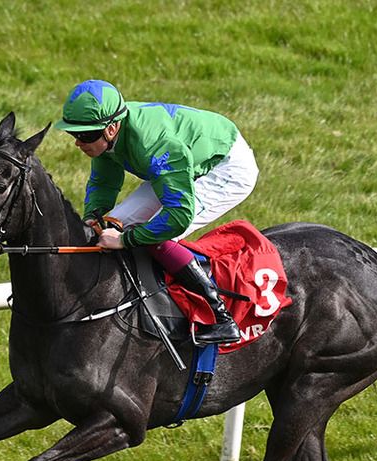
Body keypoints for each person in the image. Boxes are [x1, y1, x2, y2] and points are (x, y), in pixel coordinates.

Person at [55, 79, 259, 345]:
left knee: (156, 234)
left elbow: (177, 216)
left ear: (112, 128)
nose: (78, 142)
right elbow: (104, 182)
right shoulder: (108, 134)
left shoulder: (153, 144)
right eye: (74, 134)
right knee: (112, 224)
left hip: (226, 167)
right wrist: (94, 216)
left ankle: (221, 318)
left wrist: (126, 240)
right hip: (180, 161)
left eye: (85, 136)